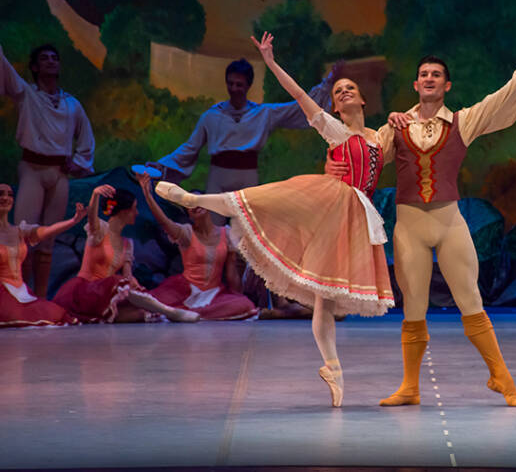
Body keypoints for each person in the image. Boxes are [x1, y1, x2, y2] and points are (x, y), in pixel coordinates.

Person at [155, 32, 395, 407]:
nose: (344, 92)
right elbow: (299, 95)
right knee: (264, 199)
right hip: (329, 201)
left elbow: (405, 133)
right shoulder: (334, 130)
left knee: (325, 300)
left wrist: (400, 116)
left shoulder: (380, 137)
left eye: (350, 88)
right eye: (338, 91)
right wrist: (269, 61)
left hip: (356, 217)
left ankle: (332, 368)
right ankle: (196, 197)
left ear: (363, 99)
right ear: (332, 106)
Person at [345, 19, 516, 408]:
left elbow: (503, 98)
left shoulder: (463, 121)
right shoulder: (396, 127)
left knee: (470, 299)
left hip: (449, 222)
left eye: (436, 75)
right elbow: (365, 154)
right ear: (415, 84)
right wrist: (364, 119)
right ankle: (410, 387)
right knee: (415, 307)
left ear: (447, 85)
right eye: (423, 74)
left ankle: (502, 378)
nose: (429, 79)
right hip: (409, 227)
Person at [155, 57, 333, 197]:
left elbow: (296, 109)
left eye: (239, 84)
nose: (234, 88)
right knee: (215, 227)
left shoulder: (263, 113)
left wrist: (327, 85)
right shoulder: (211, 116)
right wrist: (160, 166)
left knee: (244, 230)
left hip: (247, 176)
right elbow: (190, 148)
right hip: (218, 175)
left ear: (248, 86)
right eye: (230, 83)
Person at [0, 44, 95, 298]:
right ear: (34, 67)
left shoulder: (71, 103)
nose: (51, 62)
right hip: (32, 169)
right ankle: (23, 295)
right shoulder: (27, 93)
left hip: (59, 174)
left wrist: (79, 163)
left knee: (48, 240)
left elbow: (85, 137)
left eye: (55, 58)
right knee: (25, 233)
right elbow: (6, 71)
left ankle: (41, 299)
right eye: (44, 59)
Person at [52, 185, 200, 323]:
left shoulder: (127, 243)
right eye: (134, 208)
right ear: (124, 211)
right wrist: (95, 195)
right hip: (84, 292)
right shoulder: (100, 230)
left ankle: (160, 312)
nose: (136, 213)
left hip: (107, 295)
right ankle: (171, 312)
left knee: (142, 313)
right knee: (116, 282)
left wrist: (133, 284)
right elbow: (92, 217)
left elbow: (127, 276)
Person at [135, 173, 258, 321]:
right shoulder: (186, 232)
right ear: (188, 213)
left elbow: (231, 273)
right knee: (150, 302)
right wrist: (147, 194)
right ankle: (176, 312)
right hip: (184, 289)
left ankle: (185, 314)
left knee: (245, 305)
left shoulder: (226, 234)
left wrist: (237, 296)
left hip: (213, 294)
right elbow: (165, 222)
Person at [0, 183, 82, 327]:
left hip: (19, 291)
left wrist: (73, 221)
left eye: (10, 195)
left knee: (53, 313)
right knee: (14, 315)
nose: (5, 198)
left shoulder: (19, 231)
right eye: (1, 194)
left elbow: (47, 231)